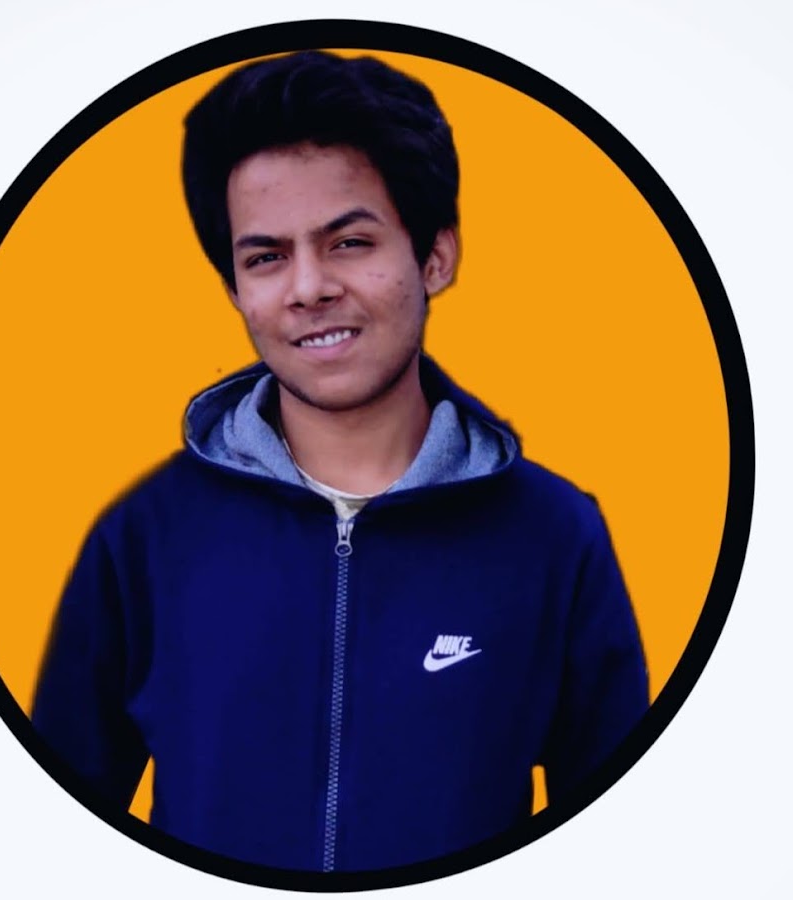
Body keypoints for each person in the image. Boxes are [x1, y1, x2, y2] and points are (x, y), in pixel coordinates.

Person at [32, 49, 649, 874]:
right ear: (235, 290)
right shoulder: (142, 540)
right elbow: (47, 843)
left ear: (435, 257)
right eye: (265, 257)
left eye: (350, 242)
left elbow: (618, 851)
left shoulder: (555, 538)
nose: (308, 287)